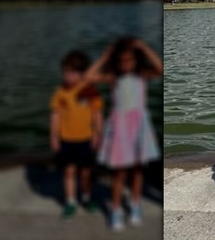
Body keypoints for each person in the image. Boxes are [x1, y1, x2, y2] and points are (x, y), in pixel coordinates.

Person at [85, 37, 162, 231]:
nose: (125, 64)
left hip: (139, 127)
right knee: (119, 173)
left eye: (129, 60)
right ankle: (116, 209)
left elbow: (160, 69)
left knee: (137, 170)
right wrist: (104, 57)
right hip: (119, 127)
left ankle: (135, 204)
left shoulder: (142, 75)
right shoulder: (113, 77)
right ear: (116, 62)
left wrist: (144, 48)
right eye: (121, 61)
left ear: (136, 60)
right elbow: (88, 77)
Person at [49, 50, 103, 219]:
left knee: (86, 173)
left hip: (86, 139)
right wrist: (54, 137)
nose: (68, 76)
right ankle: (70, 202)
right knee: (69, 172)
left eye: (72, 72)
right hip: (66, 140)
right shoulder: (61, 92)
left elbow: (97, 114)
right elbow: (56, 115)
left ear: (83, 73)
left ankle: (86, 198)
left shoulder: (90, 91)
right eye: (65, 72)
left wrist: (98, 135)